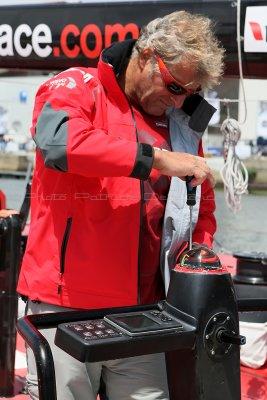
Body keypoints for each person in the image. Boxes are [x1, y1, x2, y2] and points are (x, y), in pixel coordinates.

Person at [17, 10, 224, 400]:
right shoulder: (78, 85)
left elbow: (201, 208)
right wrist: (158, 160)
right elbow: (61, 143)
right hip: (66, 309)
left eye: (190, 94)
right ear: (146, 55)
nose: (179, 101)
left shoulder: (181, 122)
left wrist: (200, 258)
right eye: (175, 86)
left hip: (148, 313)